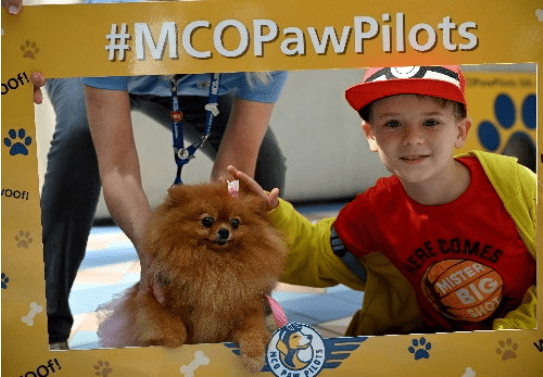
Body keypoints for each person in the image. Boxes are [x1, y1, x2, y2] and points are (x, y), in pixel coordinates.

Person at [22, 0, 286, 350]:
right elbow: (118, 169)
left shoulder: (270, 28)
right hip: (107, 63)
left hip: (197, 87)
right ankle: (47, 326)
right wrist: (153, 253)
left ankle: (242, 306)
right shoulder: (110, 12)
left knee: (263, 173)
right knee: (77, 140)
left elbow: (235, 168)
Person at [229, 65, 537, 336]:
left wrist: (506, 342)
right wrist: (270, 218)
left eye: (430, 122)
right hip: (427, 358)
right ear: (371, 135)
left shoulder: (516, 188)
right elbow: (316, 256)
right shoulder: (374, 211)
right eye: (392, 124)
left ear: (460, 131)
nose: (412, 138)